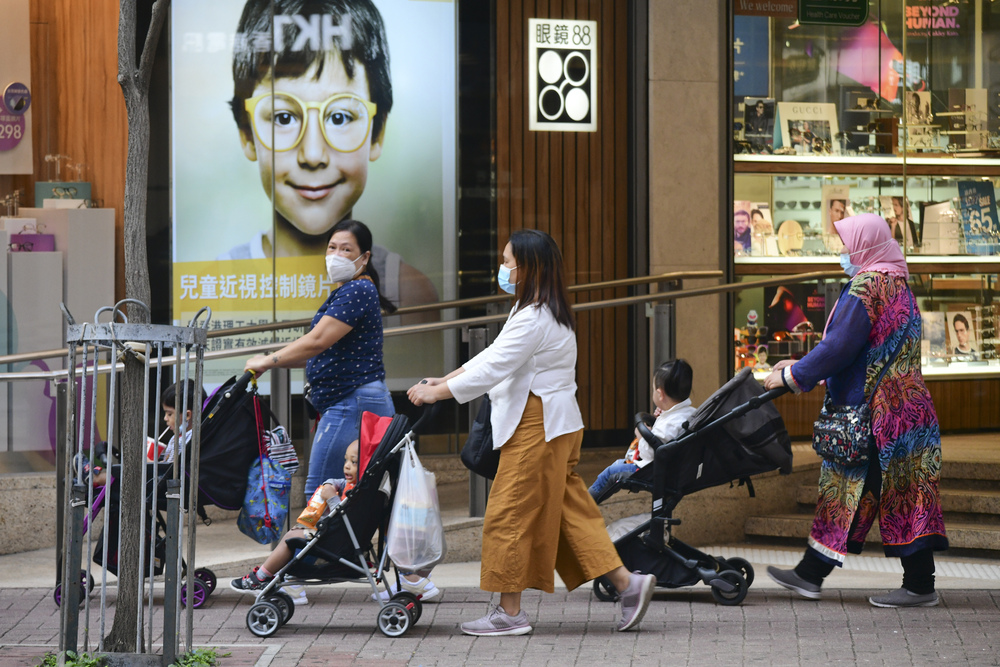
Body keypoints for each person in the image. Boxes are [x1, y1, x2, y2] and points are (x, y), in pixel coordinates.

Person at [407, 229, 656, 636]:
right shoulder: (541, 311)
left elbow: (492, 368)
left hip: (536, 427)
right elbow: (492, 357)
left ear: (529, 267)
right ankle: (628, 585)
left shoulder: (533, 317)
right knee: (569, 515)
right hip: (555, 426)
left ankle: (510, 612)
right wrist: (444, 378)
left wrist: (438, 393)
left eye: (507, 262)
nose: (502, 269)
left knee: (509, 514)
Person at [763, 213, 948, 609]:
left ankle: (917, 586)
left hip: (877, 416)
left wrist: (792, 375)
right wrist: (797, 367)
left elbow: (839, 347)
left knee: (872, 488)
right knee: (888, 490)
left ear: (865, 244)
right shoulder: (898, 283)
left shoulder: (867, 286)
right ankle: (813, 574)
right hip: (908, 411)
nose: (844, 252)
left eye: (848, 245)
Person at [223, 0, 437, 315]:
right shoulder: (218, 282)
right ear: (247, 133)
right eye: (283, 117)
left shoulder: (409, 290)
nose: (312, 155)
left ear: (377, 133)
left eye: (339, 117)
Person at [244, 219, 395, 497]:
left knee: (319, 495)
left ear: (365, 257)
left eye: (346, 250)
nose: (337, 255)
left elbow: (316, 342)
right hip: (350, 400)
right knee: (342, 495)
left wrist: (267, 360)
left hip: (351, 402)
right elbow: (321, 349)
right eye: (332, 247)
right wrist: (277, 360)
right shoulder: (349, 290)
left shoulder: (357, 290)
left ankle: (311, 541)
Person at [588, 359, 696, 500]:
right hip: (673, 470)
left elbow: (649, 453)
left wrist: (641, 434)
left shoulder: (670, 424)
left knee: (610, 473)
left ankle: (584, 505)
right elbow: (665, 438)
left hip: (652, 471)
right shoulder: (689, 414)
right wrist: (660, 419)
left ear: (660, 394)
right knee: (617, 465)